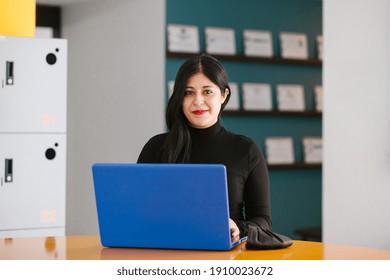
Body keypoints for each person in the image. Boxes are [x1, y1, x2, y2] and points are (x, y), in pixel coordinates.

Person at [137, 54, 271, 242]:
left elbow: (263, 220)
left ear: (223, 95)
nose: (198, 101)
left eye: (207, 92)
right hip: (165, 251)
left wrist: (238, 227)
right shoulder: (156, 147)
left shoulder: (246, 149)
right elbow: (138, 210)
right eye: (188, 92)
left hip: (225, 256)